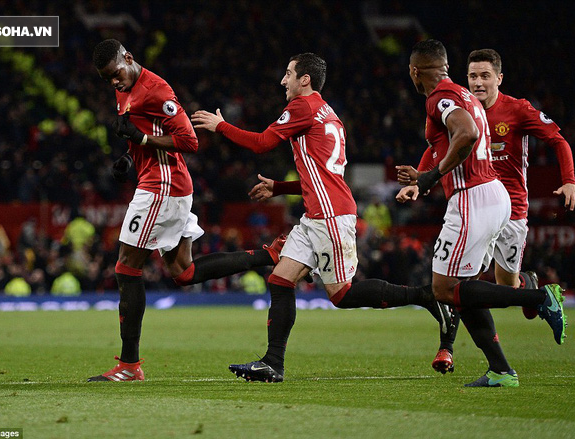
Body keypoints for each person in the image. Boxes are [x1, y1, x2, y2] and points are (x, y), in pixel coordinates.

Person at [193, 53, 453, 383]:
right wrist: (279, 187)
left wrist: (221, 126)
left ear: (305, 80)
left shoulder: (302, 107)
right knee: (280, 280)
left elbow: (261, 144)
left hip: (329, 214)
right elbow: (322, 172)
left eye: (288, 74)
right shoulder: (329, 115)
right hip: (318, 212)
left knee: (342, 295)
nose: (283, 81)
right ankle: (273, 363)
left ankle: (425, 296)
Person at [88, 39, 285, 382]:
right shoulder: (124, 89)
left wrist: (143, 141)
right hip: (155, 180)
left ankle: (129, 365)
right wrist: (127, 158)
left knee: (126, 268)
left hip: (162, 186)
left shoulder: (157, 91)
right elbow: (141, 133)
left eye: (116, 74)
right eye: (107, 79)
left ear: (129, 58)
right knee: (184, 272)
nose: (114, 83)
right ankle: (269, 254)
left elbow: (189, 140)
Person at [396, 39, 566, 387]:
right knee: (464, 287)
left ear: (415, 71)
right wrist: (424, 178)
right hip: (491, 194)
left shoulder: (438, 98)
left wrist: (432, 175)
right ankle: (501, 370)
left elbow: (468, 133)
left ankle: (538, 297)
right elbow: (449, 140)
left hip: (473, 198)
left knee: (443, 289)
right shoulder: (464, 94)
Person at [429, 48, 575, 374]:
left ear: (499, 78)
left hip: (511, 210)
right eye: (473, 76)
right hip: (475, 206)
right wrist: (422, 179)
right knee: (460, 281)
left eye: (485, 76)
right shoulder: (464, 109)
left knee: (504, 283)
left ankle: (528, 288)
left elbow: (558, 140)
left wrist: (569, 181)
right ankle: (447, 349)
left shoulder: (517, 110)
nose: (478, 82)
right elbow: (437, 146)